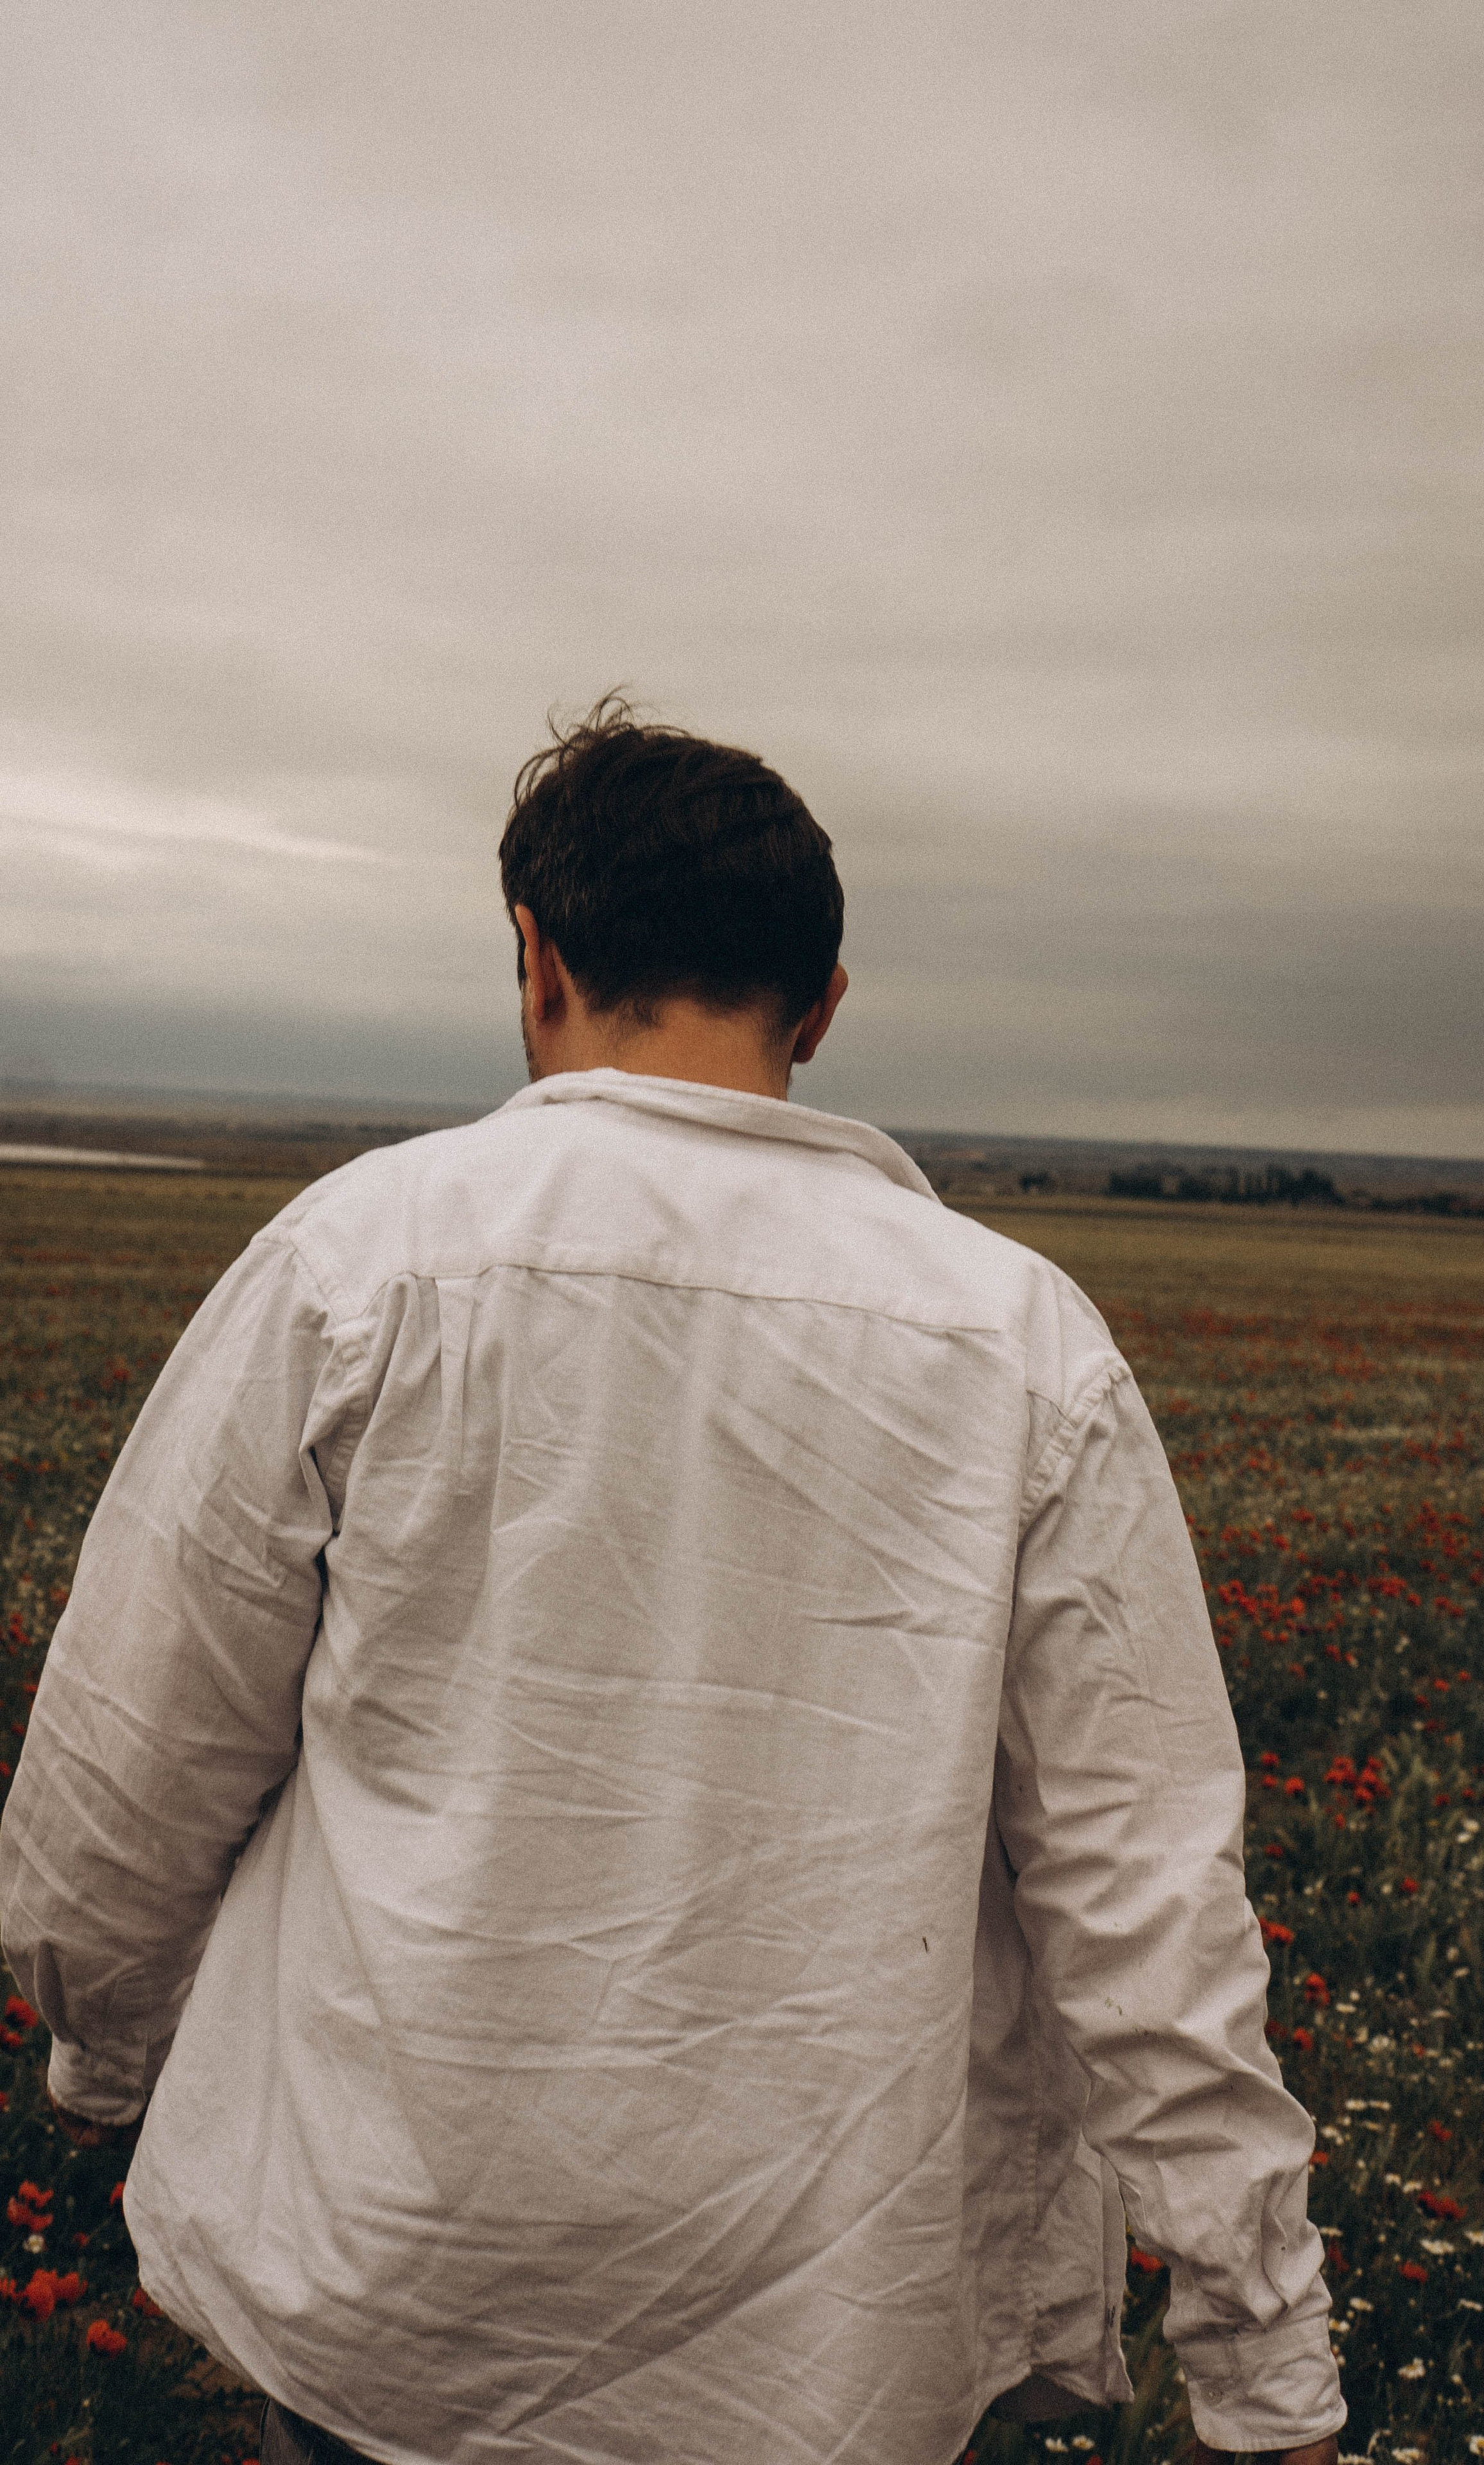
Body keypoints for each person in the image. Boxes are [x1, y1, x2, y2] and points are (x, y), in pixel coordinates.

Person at [0, 702, 1343, 2465]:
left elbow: (130, 1764)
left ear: (536, 959)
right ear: (824, 1004)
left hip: (396, 2301)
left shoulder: (353, 1266)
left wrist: (111, 2061)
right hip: (835, 2345)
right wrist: (1264, 2365)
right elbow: (1143, 1891)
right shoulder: (1024, 1346)